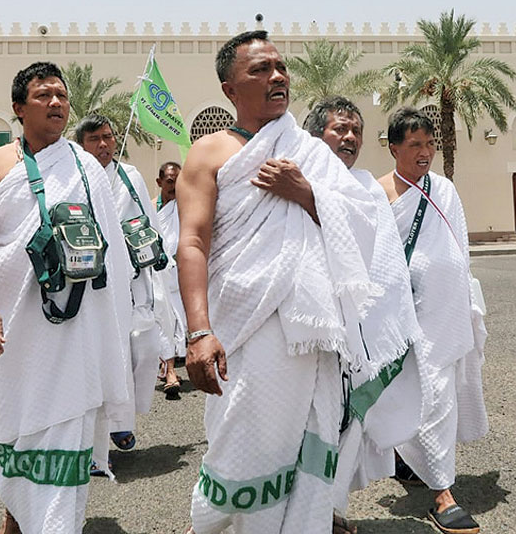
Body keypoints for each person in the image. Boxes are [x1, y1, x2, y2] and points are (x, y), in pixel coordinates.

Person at [180, 31, 382, 534]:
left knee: (306, 438)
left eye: (280, 67)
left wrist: (307, 193)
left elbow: (360, 226)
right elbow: (192, 243)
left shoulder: (309, 152)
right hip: (241, 328)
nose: (277, 77)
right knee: (241, 442)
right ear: (230, 89)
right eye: (259, 70)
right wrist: (200, 331)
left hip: (308, 332)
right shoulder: (208, 154)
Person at [0, 62, 132, 533]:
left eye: (62, 95)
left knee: (65, 441)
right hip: (13, 338)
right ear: (19, 109)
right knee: (17, 440)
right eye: (44, 96)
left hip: (75, 337)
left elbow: (113, 260)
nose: (57, 103)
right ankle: (17, 520)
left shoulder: (86, 168)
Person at [304, 97, 427, 534]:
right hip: (308, 332)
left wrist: (385, 322)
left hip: (357, 335)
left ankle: (330, 510)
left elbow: (385, 263)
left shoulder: (365, 185)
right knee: (301, 427)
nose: (351, 137)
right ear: (316, 133)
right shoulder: (296, 176)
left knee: (344, 426)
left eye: (356, 129)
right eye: (340, 128)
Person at [378, 107, 488, 534]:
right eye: (415, 145)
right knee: (407, 390)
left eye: (429, 144)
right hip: (402, 312)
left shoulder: (443, 188)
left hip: (444, 311)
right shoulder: (381, 192)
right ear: (394, 148)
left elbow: (458, 247)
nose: (425, 153)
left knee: (440, 392)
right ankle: (434, 482)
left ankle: (440, 486)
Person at [77, 115, 171, 454]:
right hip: (94, 285)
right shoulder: (76, 178)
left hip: (135, 283)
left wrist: (155, 253)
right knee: (102, 354)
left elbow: (150, 220)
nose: (103, 144)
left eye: (108, 137)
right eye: (94, 139)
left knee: (144, 350)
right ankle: (108, 434)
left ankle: (124, 416)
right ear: (81, 143)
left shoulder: (129, 177)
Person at [155, 161, 187, 394]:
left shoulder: (187, 206)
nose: (174, 185)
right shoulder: (149, 208)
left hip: (183, 275)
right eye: (169, 181)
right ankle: (171, 372)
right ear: (159, 183)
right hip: (158, 275)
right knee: (163, 322)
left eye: (178, 180)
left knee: (182, 323)